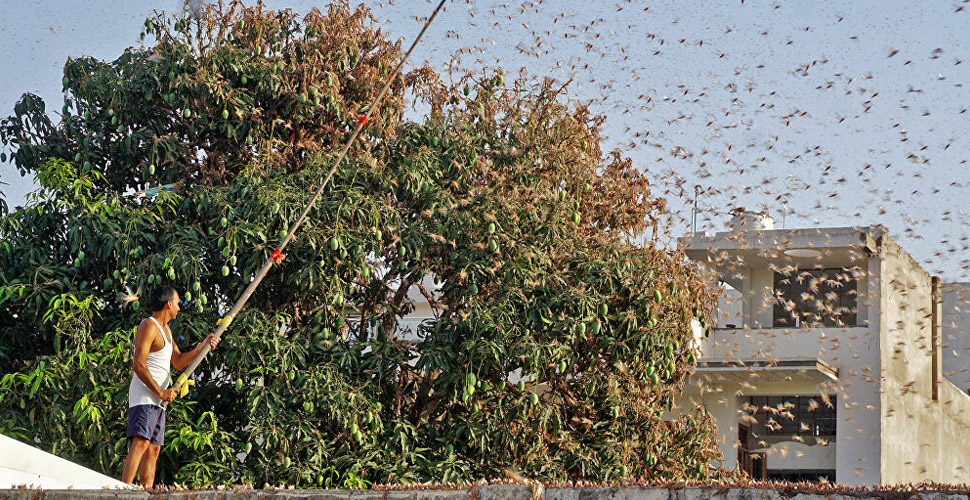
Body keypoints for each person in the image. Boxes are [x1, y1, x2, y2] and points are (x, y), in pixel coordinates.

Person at [121, 286, 220, 487]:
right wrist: (160, 392)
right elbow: (138, 365)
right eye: (177, 303)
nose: (179, 308)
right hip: (146, 396)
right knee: (141, 442)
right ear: (168, 304)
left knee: (154, 448)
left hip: (159, 400)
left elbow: (178, 361)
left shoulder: (166, 331)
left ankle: (146, 492)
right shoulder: (149, 326)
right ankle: (122, 491)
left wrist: (204, 346)